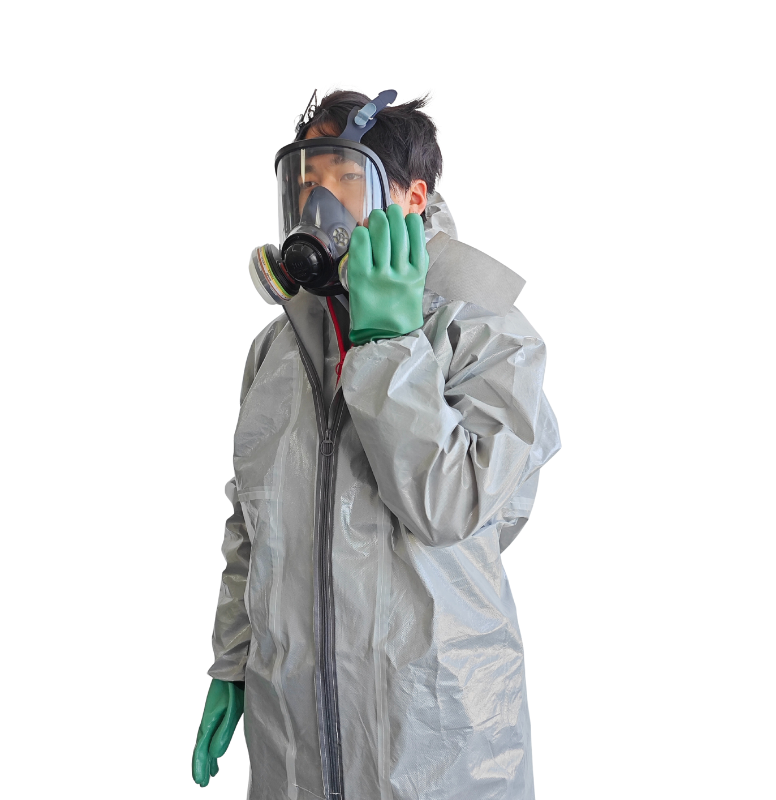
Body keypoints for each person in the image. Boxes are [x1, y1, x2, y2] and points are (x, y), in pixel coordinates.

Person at [192, 89, 561, 800]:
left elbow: (450, 508)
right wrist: (233, 663)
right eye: (306, 182)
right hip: (293, 735)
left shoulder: (486, 330)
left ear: (413, 199)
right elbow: (252, 525)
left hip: (436, 741)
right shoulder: (277, 350)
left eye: (344, 179)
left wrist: (390, 343)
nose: (319, 205)